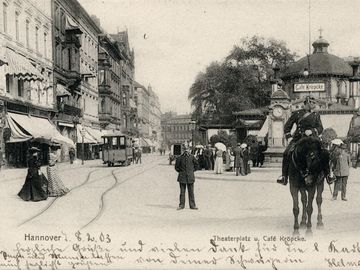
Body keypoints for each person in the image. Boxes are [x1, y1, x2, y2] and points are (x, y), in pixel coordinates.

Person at [277, 96, 324, 185]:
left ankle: (328, 174)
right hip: (298, 138)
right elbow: (287, 126)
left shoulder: (316, 114)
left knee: (324, 152)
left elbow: (321, 128)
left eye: (314, 103)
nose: (314, 105)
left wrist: (312, 131)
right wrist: (289, 137)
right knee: (286, 153)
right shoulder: (297, 113)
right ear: (306, 103)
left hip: (312, 138)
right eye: (312, 103)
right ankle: (284, 176)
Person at [175, 145, 199, 210]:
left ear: (189, 149)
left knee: (191, 192)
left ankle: (192, 205)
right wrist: (181, 172)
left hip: (190, 177)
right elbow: (176, 167)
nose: (186, 150)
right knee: (182, 192)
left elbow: (197, 165)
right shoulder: (179, 158)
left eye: (187, 149)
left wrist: (191, 171)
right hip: (182, 178)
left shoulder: (192, 157)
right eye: (184, 149)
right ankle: (181, 205)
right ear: (183, 150)